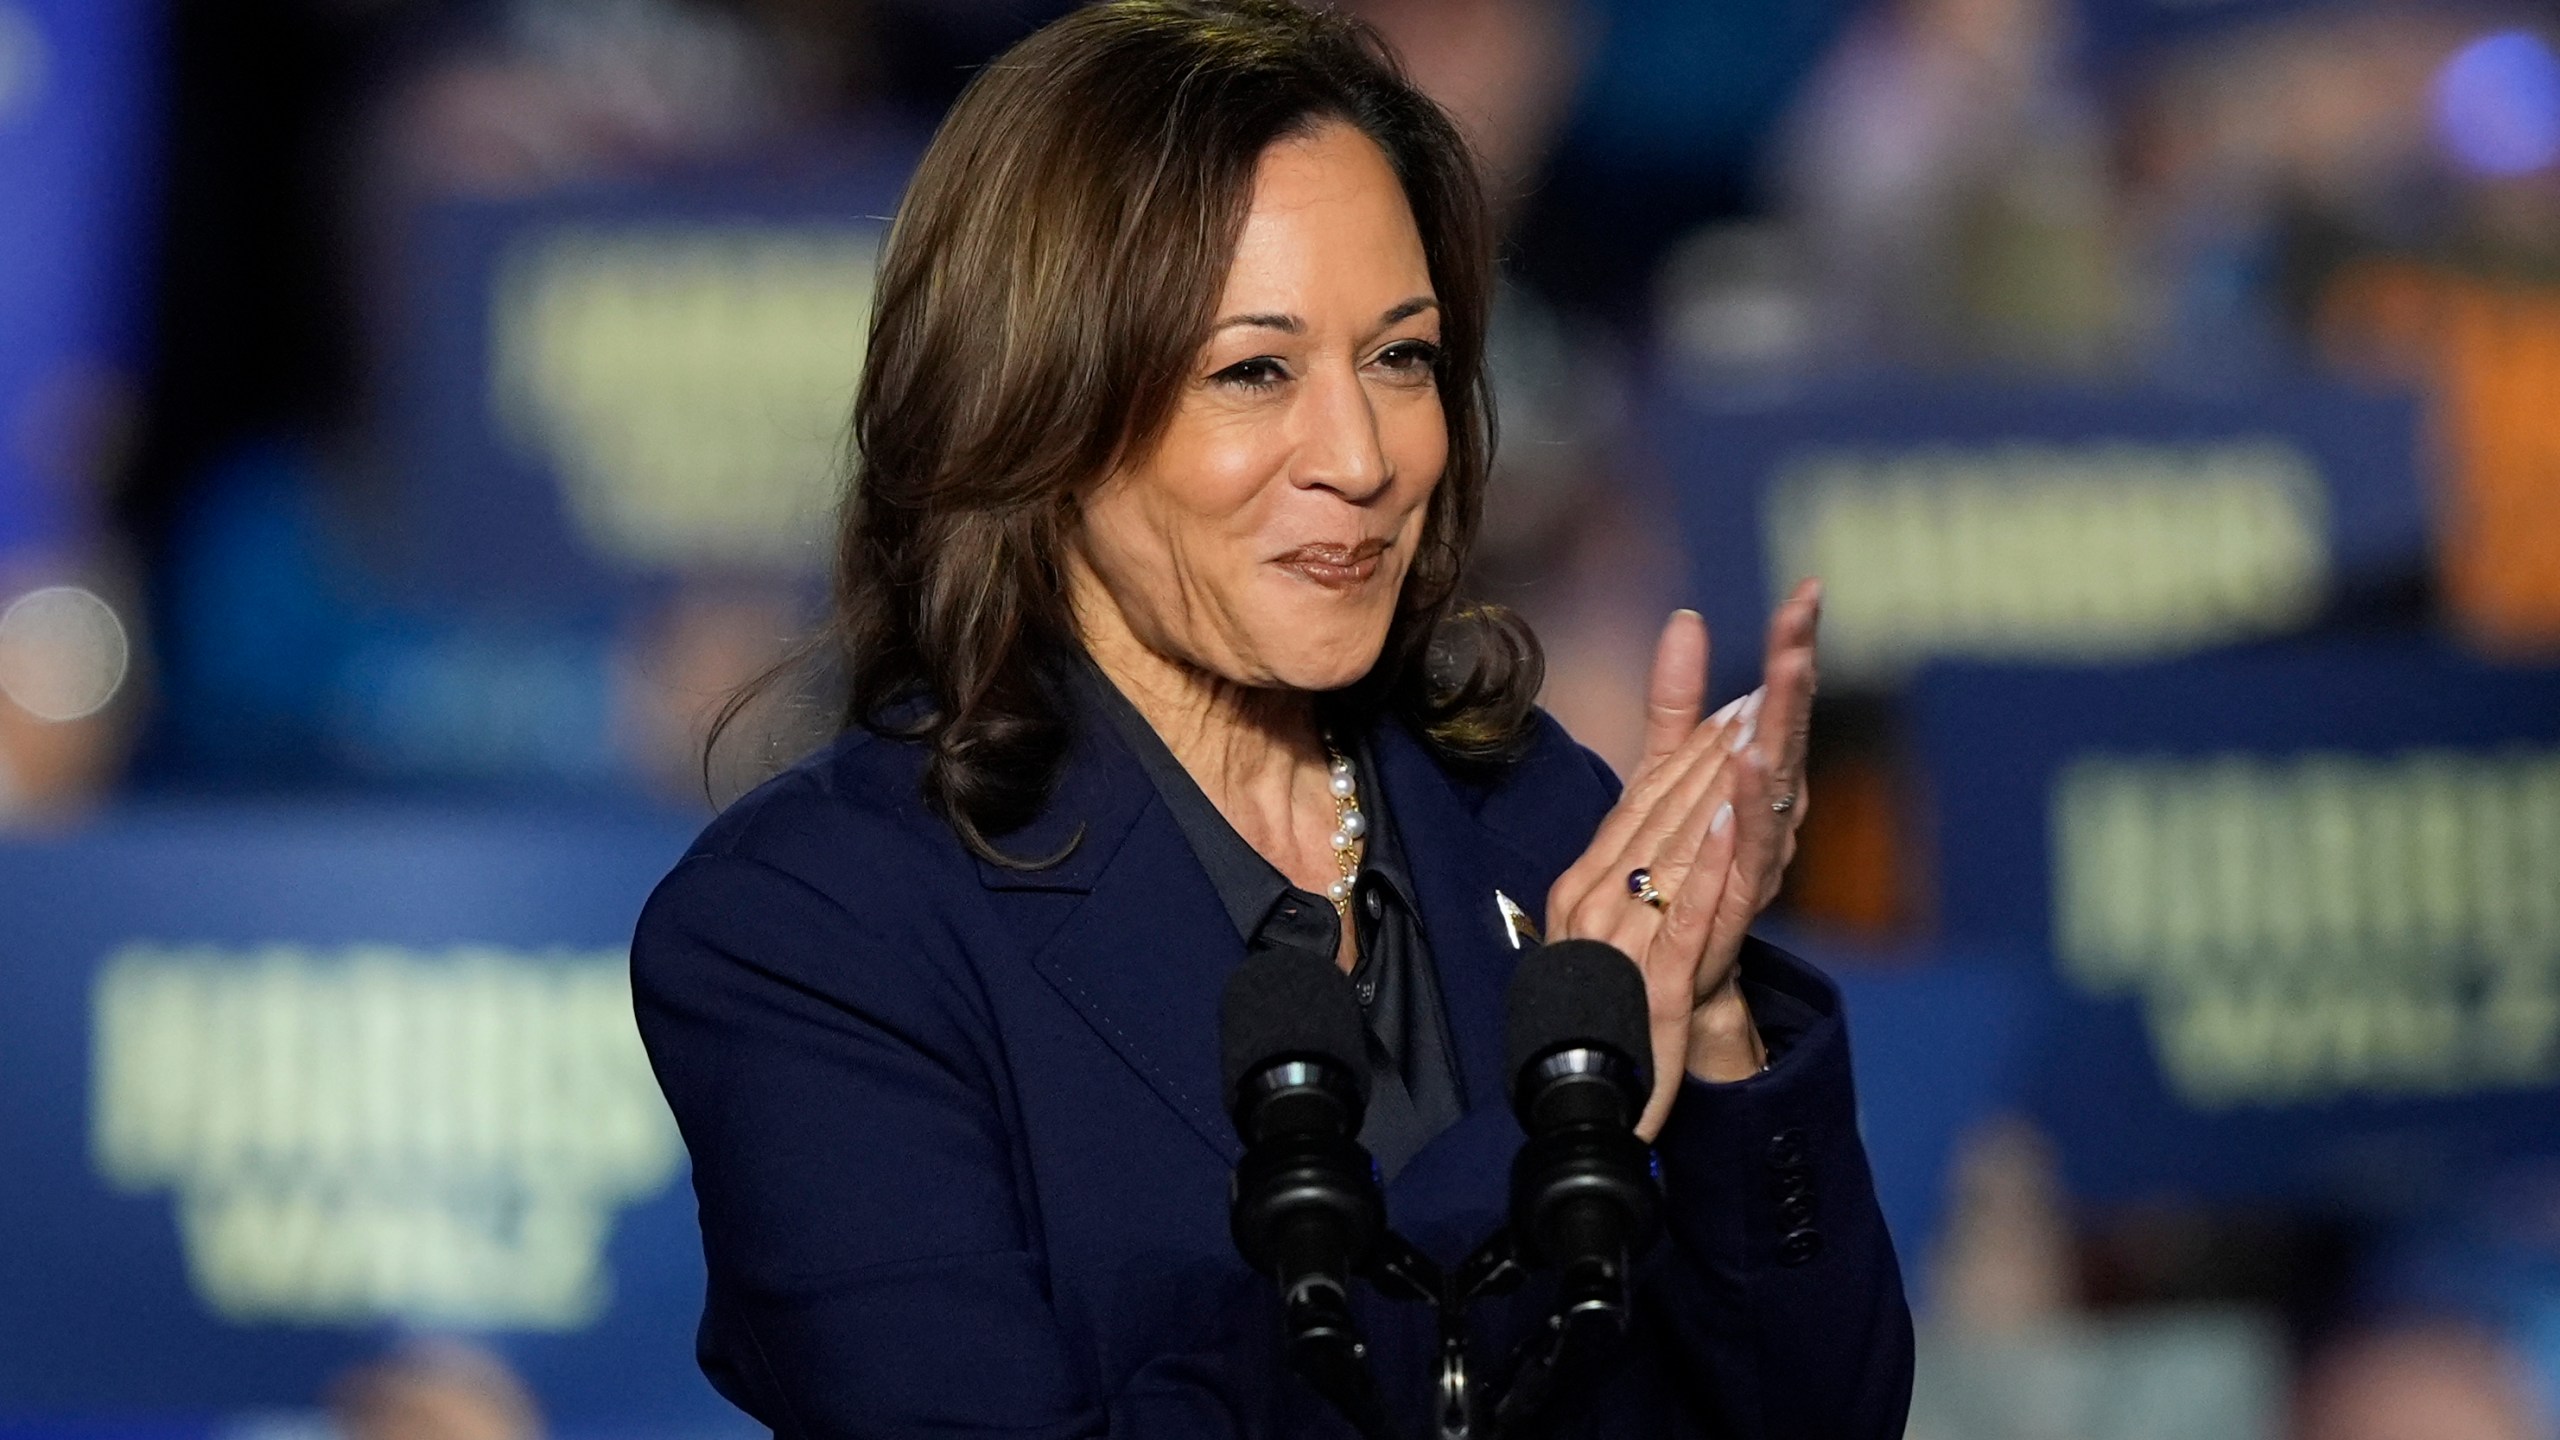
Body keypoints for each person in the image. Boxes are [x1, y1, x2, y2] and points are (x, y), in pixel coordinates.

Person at [631, 2, 1913, 1434]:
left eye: (1403, 359)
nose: (1364, 457)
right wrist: (1560, 1130)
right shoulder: (813, 931)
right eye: (1256, 371)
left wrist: (1718, 1018)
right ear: (1042, 397)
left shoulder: (1535, 818)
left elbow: (1814, 1416)